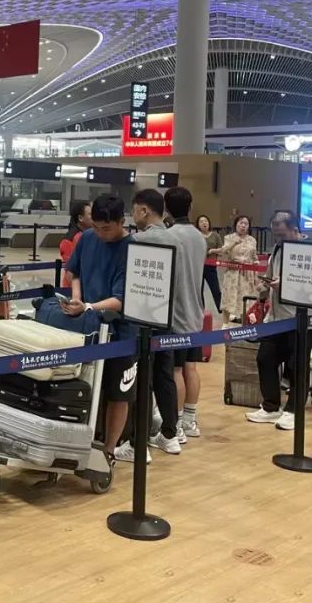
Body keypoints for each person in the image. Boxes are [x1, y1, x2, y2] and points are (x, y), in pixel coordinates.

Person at [63, 195, 153, 462]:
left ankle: (110, 450)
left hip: (121, 333)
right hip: (86, 327)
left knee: (119, 393)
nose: (101, 234)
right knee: (82, 386)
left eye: (106, 228)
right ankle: (76, 444)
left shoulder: (133, 250)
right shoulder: (87, 238)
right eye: (96, 227)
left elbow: (122, 299)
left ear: (121, 222)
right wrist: (77, 299)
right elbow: (74, 272)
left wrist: (89, 306)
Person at [139, 187, 206, 449]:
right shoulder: (200, 237)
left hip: (175, 314)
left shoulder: (169, 235)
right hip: (196, 312)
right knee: (191, 367)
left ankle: (175, 427)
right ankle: (190, 419)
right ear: (191, 207)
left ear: (165, 207)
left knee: (174, 371)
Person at [245, 210, 306, 431]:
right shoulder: (278, 249)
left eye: (282, 234)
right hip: (276, 318)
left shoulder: (309, 251)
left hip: (300, 319)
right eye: (275, 234)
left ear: (295, 229)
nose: (278, 238)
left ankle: (294, 411)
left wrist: (286, 285)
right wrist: (263, 287)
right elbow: (270, 275)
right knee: (265, 359)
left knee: (296, 366)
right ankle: (271, 406)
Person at [217, 215, 261, 325]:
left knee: (246, 300)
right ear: (236, 224)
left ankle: (244, 324)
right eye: (241, 223)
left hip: (247, 274)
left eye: (246, 224)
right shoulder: (229, 237)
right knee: (228, 299)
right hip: (232, 273)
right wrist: (234, 243)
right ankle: (225, 324)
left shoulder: (252, 240)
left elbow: (254, 257)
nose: (243, 225)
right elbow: (223, 251)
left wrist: (256, 268)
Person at [59, 199, 92, 287]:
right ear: (80, 218)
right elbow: (70, 271)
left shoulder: (89, 235)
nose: (94, 217)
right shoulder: (70, 239)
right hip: (73, 289)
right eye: (90, 214)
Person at [196, 214, 223, 312]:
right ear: (198, 225)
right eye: (201, 221)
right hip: (198, 266)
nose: (204, 223)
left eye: (206, 221)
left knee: (216, 290)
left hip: (211, 266)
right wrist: (208, 252)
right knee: (199, 291)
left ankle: (221, 309)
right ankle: (201, 311)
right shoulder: (196, 236)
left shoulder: (216, 235)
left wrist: (212, 251)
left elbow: (221, 250)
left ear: (209, 223)